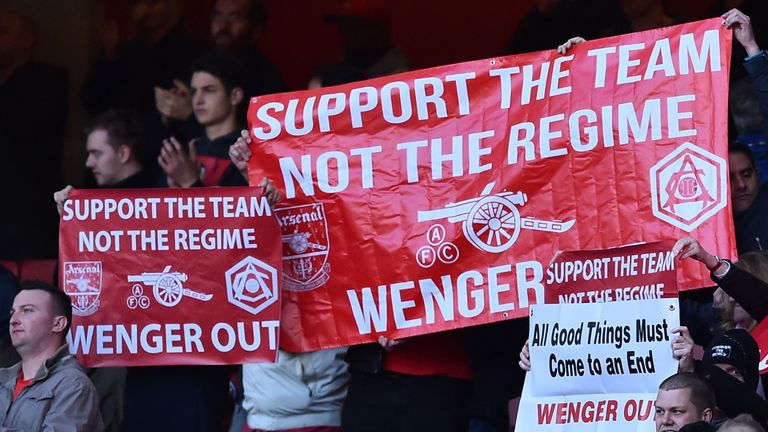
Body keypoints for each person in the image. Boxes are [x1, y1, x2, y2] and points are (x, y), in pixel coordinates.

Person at [0, 9, 68, 260]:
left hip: (29, 219)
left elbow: (21, 125)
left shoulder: (49, 81)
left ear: (29, 39)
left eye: (2, 32)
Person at [156, 0, 285, 128]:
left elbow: (249, 142)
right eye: (218, 16)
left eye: (235, 17)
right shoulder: (197, 63)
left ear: (256, 30)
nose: (223, 26)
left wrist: (190, 114)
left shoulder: (267, 82)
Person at [0, 281, 103, 431]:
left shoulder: (74, 386)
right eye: (12, 312)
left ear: (58, 324)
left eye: (27, 310)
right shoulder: (4, 381)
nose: (13, 320)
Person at [324, 0, 409, 79]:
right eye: (342, 30)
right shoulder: (338, 73)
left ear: (380, 33)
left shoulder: (398, 81)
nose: (345, 38)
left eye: (353, 29)